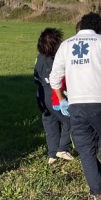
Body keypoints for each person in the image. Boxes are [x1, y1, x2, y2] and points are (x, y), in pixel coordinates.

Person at [49, 12, 101, 200]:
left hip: (76, 105)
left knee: (86, 150)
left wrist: (62, 99)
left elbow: (55, 78)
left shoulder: (66, 45)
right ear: (99, 27)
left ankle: (96, 191)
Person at [34, 28, 74, 165]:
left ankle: (52, 154)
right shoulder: (53, 60)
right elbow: (56, 81)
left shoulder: (39, 57)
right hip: (53, 95)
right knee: (69, 120)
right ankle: (63, 148)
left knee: (50, 123)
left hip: (41, 94)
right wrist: (63, 97)